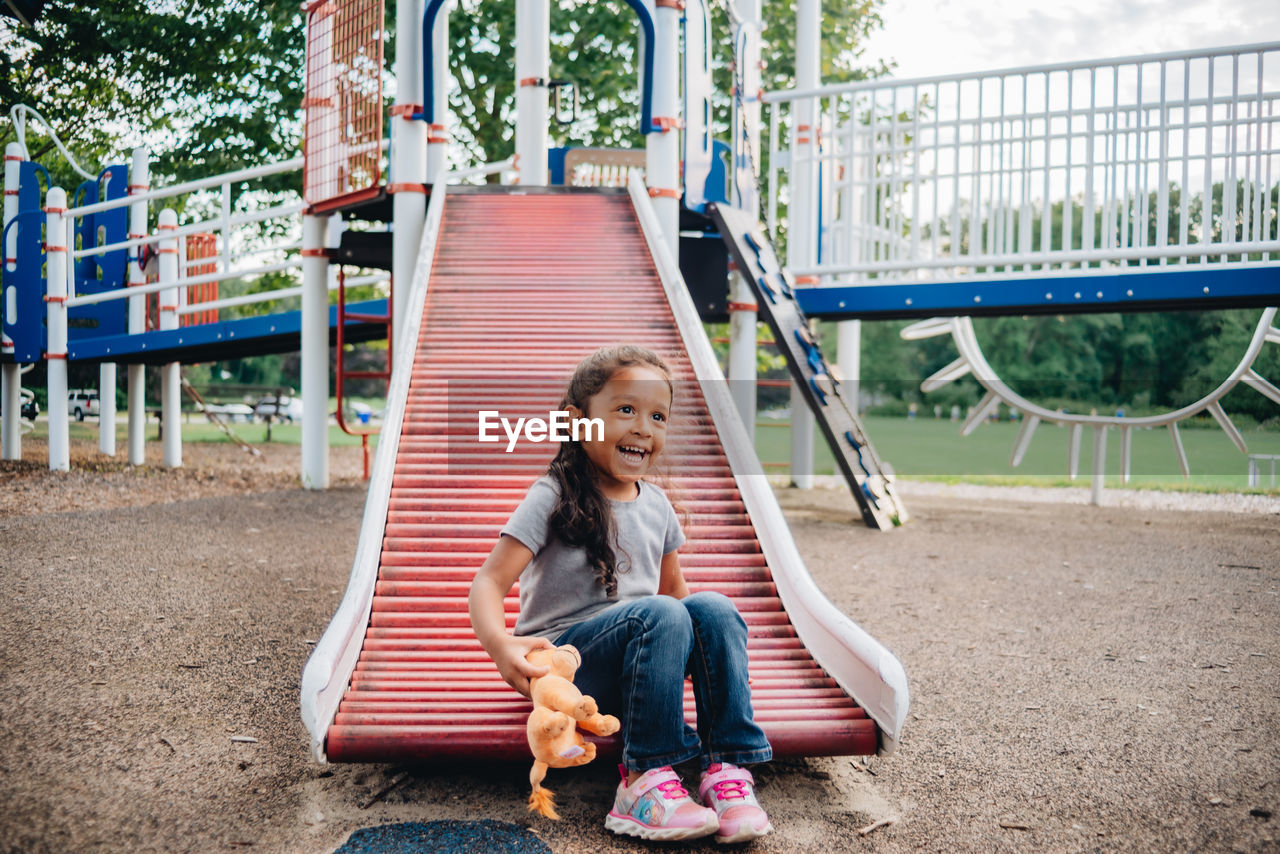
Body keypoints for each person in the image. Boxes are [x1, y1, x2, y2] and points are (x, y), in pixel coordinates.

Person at [469, 344, 773, 844]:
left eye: (657, 416)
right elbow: (489, 580)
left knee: (711, 608)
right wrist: (500, 648)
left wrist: (710, 654)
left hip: (639, 662)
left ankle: (726, 771)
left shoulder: (656, 505)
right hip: (568, 665)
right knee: (660, 613)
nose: (643, 427)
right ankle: (642, 781)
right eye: (626, 410)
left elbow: (679, 599)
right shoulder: (553, 495)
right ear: (577, 423)